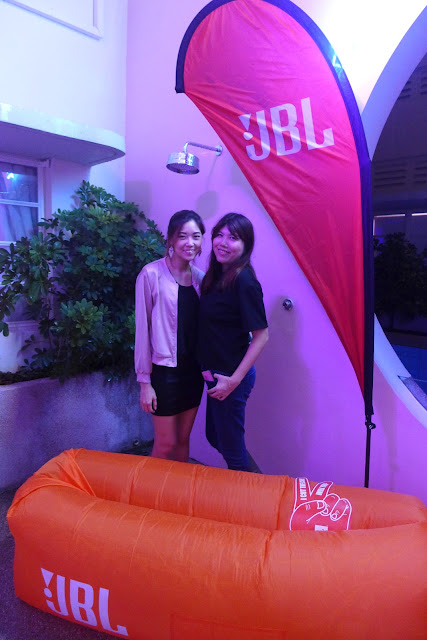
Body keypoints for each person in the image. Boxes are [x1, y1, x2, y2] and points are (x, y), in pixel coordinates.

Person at [198, 213, 268, 471]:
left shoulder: (244, 281)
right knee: (215, 437)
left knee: (232, 451)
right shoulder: (217, 275)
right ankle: (255, 482)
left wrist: (233, 381)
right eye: (219, 235)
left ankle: (253, 491)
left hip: (230, 377)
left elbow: (261, 335)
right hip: (215, 374)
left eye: (233, 237)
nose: (223, 242)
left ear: (245, 245)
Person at [135, 210, 205, 462]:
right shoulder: (150, 274)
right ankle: (151, 488)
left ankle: (177, 488)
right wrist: (145, 382)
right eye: (182, 236)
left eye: (196, 236)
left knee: (183, 442)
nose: (190, 242)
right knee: (165, 444)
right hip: (164, 374)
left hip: (193, 373)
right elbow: (142, 331)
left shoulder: (200, 279)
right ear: (171, 240)